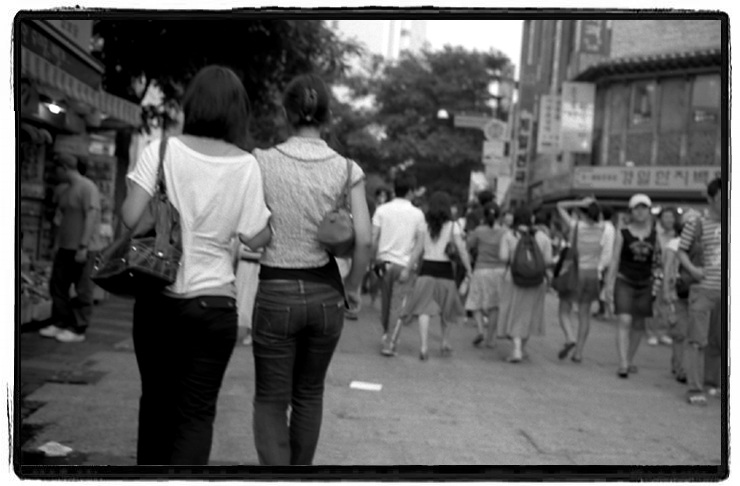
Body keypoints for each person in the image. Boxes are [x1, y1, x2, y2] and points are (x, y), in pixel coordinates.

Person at [121, 65, 272, 465]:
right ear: (237, 112)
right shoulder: (246, 165)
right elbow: (255, 237)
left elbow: (130, 217)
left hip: (158, 298)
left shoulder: (161, 151)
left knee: (155, 403)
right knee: (197, 414)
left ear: (193, 104)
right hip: (214, 304)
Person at [251, 73, 372, 464]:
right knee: (309, 393)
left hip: (276, 290)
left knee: (271, 399)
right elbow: (365, 240)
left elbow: (251, 228)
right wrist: (353, 286)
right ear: (327, 116)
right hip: (325, 295)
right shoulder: (348, 169)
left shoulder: (261, 161)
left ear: (286, 114)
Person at [399, 191, 472, 361]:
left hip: (427, 269)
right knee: (447, 309)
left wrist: (407, 269)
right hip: (446, 272)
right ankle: (444, 341)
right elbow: (461, 250)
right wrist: (469, 269)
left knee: (423, 309)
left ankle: (424, 347)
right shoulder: (453, 226)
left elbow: (417, 250)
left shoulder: (424, 225)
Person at [39, 153, 102, 343]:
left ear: (64, 168)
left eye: (57, 169)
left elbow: (91, 216)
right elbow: (61, 219)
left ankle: (78, 328)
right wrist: (56, 243)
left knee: (83, 288)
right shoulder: (65, 190)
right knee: (58, 285)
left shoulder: (87, 187)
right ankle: (60, 322)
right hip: (65, 246)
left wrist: (83, 245)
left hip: (84, 247)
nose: (55, 173)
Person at [604, 194, 661, 379]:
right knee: (625, 320)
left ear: (649, 211)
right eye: (637, 208)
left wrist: (658, 285)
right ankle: (622, 362)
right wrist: (608, 284)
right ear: (630, 212)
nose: (640, 212)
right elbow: (614, 259)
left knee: (638, 324)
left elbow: (658, 262)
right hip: (624, 280)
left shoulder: (655, 235)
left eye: (644, 208)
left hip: (645, 283)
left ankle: (629, 359)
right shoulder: (623, 233)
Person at [677, 178, 722, 405]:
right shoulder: (696, 224)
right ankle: (695, 388)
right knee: (697, 340)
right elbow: (681, 251)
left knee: (720, 340)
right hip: (702, 289)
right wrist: (693, 270)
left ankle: (714, 383)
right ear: (711, 198)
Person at [373, 173, 426, 356]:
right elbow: (419, 245)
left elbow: (373, 237)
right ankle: (389, 342)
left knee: (386, 303)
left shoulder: (382, 210)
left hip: (383, 264)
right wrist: (409, 267)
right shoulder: (418, 214)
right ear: (410, 191)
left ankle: (387, 335)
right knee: (397, 306)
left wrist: (374, 261)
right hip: (403, 265)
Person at [554, 198, 610, 363]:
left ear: (581, 212)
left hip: (575, 273)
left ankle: (570, 337)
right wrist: (592, 205)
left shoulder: (575, 226)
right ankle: (578, 353)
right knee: (584, 314)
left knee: (564, 310)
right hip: (592, 274)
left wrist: (579, 202)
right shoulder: (603, 228)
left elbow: (559, 205)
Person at [497, 206, 553, 363]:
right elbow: (548, 260)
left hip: (514, 278)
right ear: (531, 219)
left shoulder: (509, 235)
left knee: (514, 311)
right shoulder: (542, 236)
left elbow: (503, 257)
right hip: (537, 280)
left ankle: (516, 349)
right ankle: (522, 347)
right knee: (530, 312)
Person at [465, 202, 507, 348]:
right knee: (494, 306)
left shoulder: (479, 230)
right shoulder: (505, 232)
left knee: (475, 302)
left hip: (481, 270)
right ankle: (491, 339)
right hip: (499, 272)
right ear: (499, 215)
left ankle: (480, 330)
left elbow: (469, 245)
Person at [646, 207, 681, 346]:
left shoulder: (678, 235)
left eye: (671, 217)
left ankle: (663, 332)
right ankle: (651, 332)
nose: (669, 220)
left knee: (668, 304)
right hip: (656, 273)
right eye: (666, 217)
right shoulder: (655, 235)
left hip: (673, 273)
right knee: (654, 304)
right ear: (660, 219)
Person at [235, 241, 262, 346]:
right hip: (244, 268)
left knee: (253, 298)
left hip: (258, 269)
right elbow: (238, 251)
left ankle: (251, 332)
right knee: (241, 297)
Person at [595, 205, 616, 318]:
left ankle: (603, 310)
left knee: (600, 286)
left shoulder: (602, 227)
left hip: (602, 260)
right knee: (605, 285)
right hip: (609, 259)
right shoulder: (612, 228)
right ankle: (606, 310)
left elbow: (600, 244)